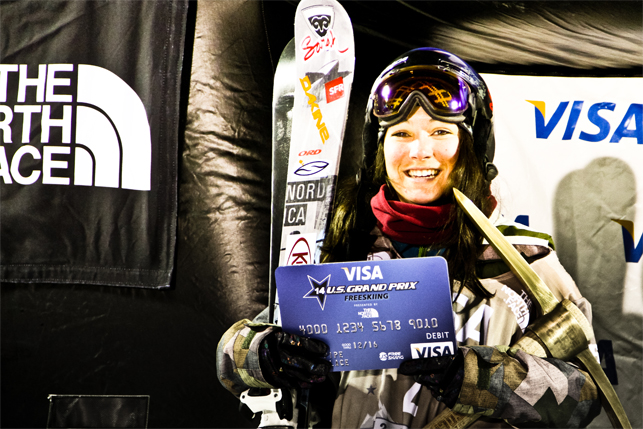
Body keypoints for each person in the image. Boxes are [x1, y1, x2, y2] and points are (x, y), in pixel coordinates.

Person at [217, 48, 602, 428]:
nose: (419, 151)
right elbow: (230, 360)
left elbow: (583, 398)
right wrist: (264, 356)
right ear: (378, 149)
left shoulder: (524, 263)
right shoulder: (341, 251)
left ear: (473, 145)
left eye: (439, 132)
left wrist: (472, 377)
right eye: (401, 133)